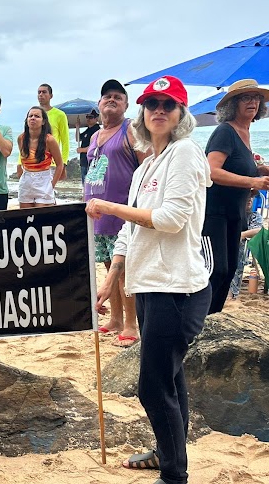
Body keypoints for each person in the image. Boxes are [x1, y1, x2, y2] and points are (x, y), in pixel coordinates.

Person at [86, 76, 211, 484]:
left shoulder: (186, 153)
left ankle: (174, 474)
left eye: (168, 104)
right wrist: (112, 277)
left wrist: (110, 206)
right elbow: (129, 231)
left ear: (181, 115)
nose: (159, 110)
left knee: (153, 388)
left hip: (177, 289)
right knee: (171, 379)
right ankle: (168, 453)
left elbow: (171, 220)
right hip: (149, 284)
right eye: (152, 103)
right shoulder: (148, 166)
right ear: (142, 112)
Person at [85, 79, 145, 347]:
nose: (111, 100)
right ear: (99, 104)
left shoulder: (130, 129)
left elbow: (146, 166)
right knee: (110, 268)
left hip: (122, 211)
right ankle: (117, 319)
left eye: (117, 97)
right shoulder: (96, 135)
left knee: (125, 272)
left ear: (126, 104)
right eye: (106, 96)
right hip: (98, 215)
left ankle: (131, 324)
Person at [201, 79, 269, 314]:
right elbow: (212, 171)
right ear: (232, 105)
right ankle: (197, 324)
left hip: (235, 214)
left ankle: (212, 321)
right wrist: (253, 181)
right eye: (245, 98)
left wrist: (259, 169)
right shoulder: (225, 131)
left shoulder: (245, 132)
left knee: (229, 271)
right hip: (214, 213)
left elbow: (238, 165)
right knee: (215, 270)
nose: (253, 102)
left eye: (256, 98)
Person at [16, 106, 64, 208]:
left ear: (43, 122)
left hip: (44, 180)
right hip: (26, 181)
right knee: (26, 218)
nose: (33, 118)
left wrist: (52, 185)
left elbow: (60, 164)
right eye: (30, 116)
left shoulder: (49, 140)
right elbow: (22, 160)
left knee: (43, 218)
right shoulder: (21, 138)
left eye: (37, 116)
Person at [229, 193, 263, 300]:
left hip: (239, 249)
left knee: (237, 266)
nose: (250, 200)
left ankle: (231, 294)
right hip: (226, 246)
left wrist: (242, 235)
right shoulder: (232, 214)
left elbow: (259, 230)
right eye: (247, 197)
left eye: (252, 197)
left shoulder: (253, 215)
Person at [37, 83, 70, 175]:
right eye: (39, 92)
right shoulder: (33, 115)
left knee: (49, 189)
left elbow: (65, 141)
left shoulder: (60, 115)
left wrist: (63, 163)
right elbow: (26, 139)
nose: (41, 94)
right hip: (33, 161)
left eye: (44, 92)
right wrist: (20, 162)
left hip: (51, 163)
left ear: (51, 96)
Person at [76, 109, 101, 184]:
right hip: (84, 160)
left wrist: (82, 150)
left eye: (91, 117)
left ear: (96, 119)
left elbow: (95, 146)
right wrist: (77, 128)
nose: (88, 119)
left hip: (91, 161)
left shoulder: (97, 130)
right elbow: (78, 139)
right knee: (85, 182)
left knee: (90, 183)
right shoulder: (88, 129)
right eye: (87, 117)